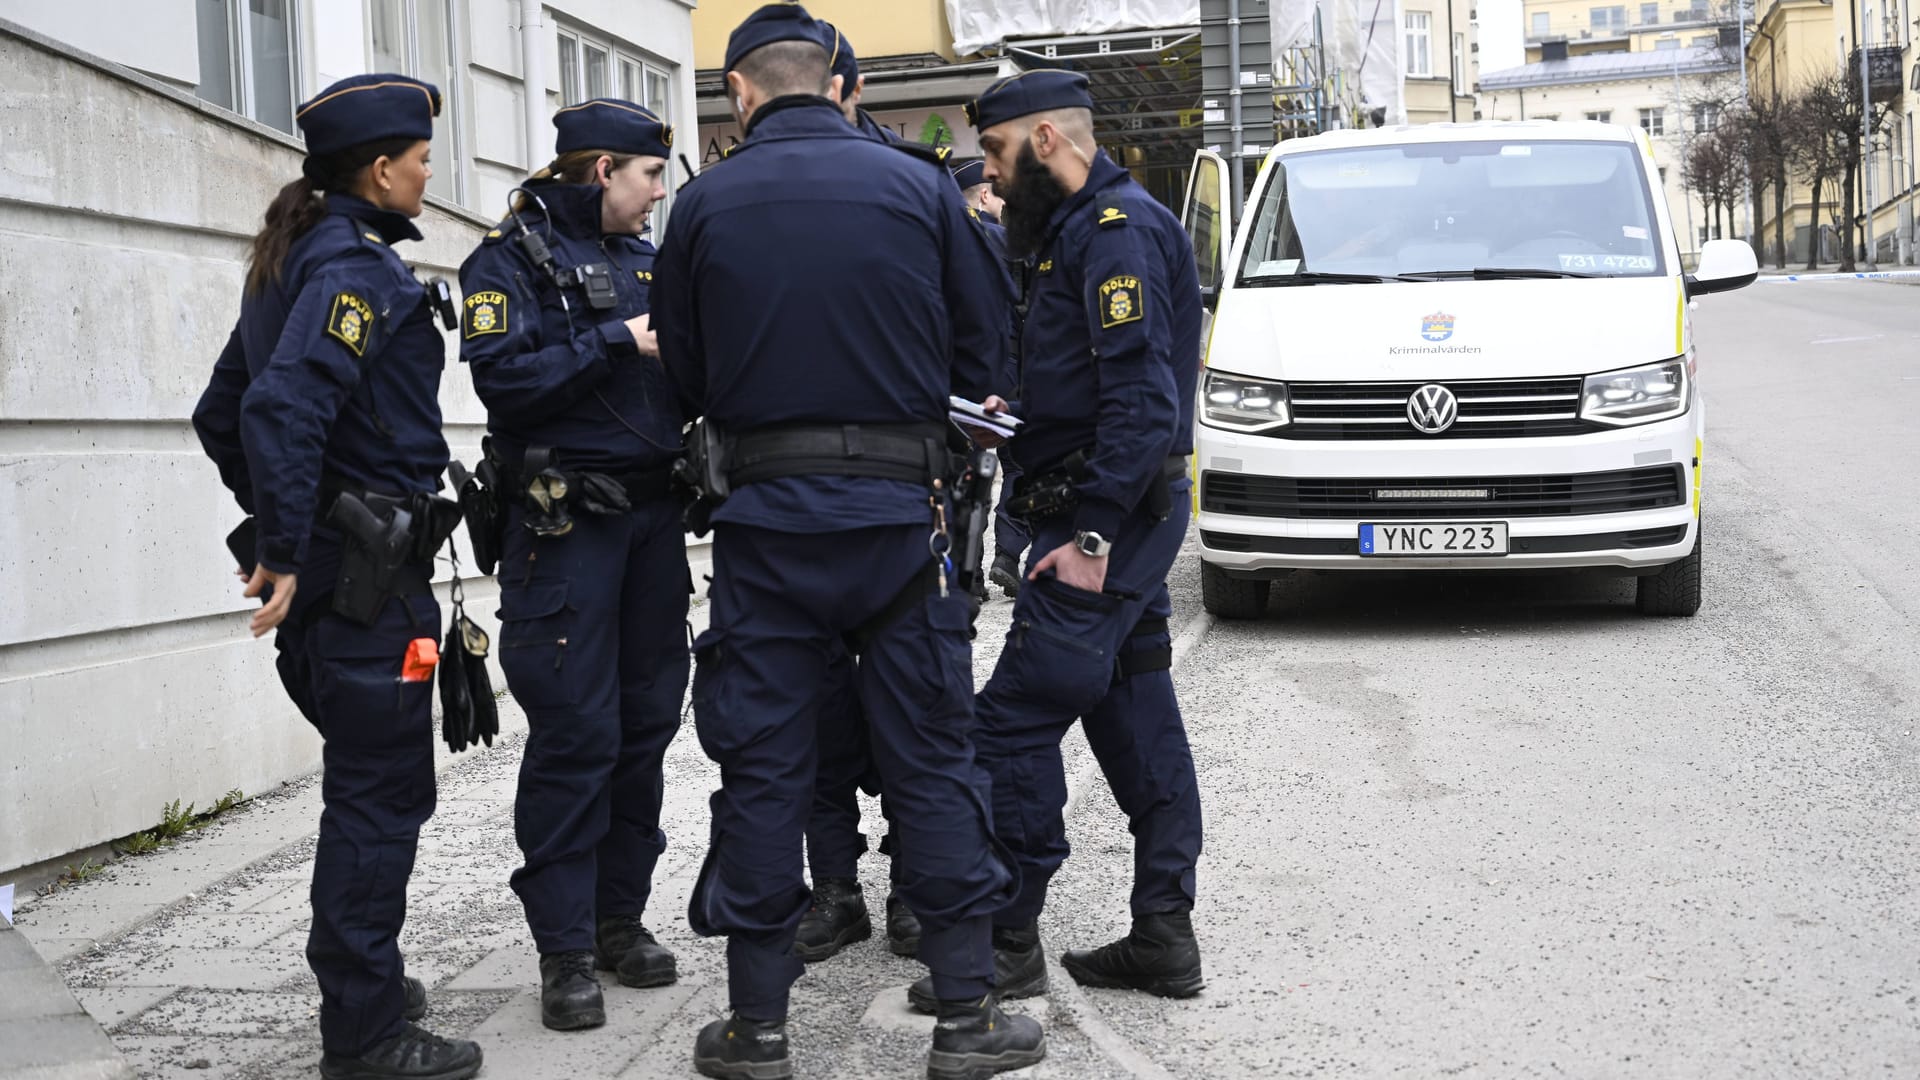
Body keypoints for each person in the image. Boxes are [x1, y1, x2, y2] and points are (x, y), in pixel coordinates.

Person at [652, 7, 1045, 1079]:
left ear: (738, 92)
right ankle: (965, 1019)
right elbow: (985, 344)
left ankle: (758, 1031)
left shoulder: (701, 203)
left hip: (764, 530)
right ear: (835, 84)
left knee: (765, 767)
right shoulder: (921, 189)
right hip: (899, 523)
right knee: (931, 755)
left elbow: (678, 376)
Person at [191, 74, 482, 1080]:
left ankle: (370, 987)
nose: (429, 172)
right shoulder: (355, 273)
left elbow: (219, 413)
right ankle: (364, 1033)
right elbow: (274, 410)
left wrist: (298, 526)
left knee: (371, 789)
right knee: (378, 801)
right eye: (422, 159)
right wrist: (286, 542)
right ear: (380, 167)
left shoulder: (291, 262)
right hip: (366, 589)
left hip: (340, 580)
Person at [914, 67, 1207, 1012]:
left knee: (1008, 723)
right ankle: (1164, 933)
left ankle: (1009, 940)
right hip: (1108, 508)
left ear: (1047, 141)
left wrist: (1089, 536)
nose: (990, 185)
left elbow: (1143, 398)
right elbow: (1097, 386)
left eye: (996, 158)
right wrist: (1021, 411)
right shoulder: (1078, 234)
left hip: (1104, 520)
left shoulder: (1113, 236)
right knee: (1136, 707)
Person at [457, 99, 687, 1031]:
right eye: (648, 176)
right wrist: (612, 341)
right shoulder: (506, 261)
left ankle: (618, 921)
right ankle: (563, 950)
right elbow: (501, 379)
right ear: (602, 172)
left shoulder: (652, 262)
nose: (659, 192)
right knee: (573, 734)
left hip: (652, 526)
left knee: (643, 726)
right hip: (563, 531)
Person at [950, 157, 1032, 599]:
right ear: (985, 195)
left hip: (954, 382)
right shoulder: (1009, 242)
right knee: (1018, 466)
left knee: (966, 473)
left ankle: (970, 575)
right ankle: (1008, 553)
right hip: (1009, 377)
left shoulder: (938, 241)